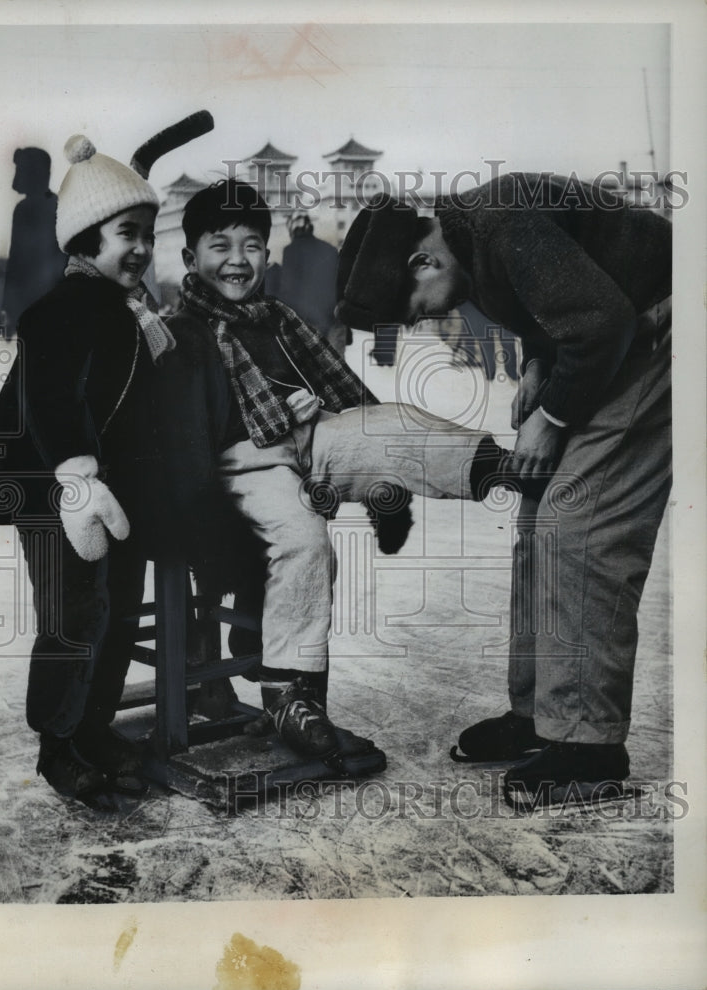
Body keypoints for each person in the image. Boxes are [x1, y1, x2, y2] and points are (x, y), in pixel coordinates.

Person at [165, 178, 540, 764]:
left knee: (387, 421)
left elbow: (349, 396)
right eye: (220, 246)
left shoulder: (279, 318)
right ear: (191, 257)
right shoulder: (179, 331)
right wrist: (261, 413)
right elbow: (180, 430)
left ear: (269, 250)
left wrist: (361, 437)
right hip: (244, 464)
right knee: (306, 539)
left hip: (308, 440)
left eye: (252, 245)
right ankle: (291, 691)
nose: (238, 260)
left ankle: (489, 465)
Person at [335, 173, 672, 804]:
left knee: (582, 526)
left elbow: (601, 319)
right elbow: (564, 299)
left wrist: (556, 418)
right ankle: (542, 715)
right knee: (539, 518)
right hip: (623, 333)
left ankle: (589, 747)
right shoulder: (471, 240)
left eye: (418, 306)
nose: (428, 316)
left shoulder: (498, 223)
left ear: (423, 260)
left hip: (663, 332)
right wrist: (543, 362)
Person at [0, 134, 176, 808]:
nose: (144, 248)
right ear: (86, 237)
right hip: (51, 489)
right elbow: (54, 403)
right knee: (72, 615)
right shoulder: (59, 311)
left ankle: (93, 728)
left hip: (111, 495)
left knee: (116, 610)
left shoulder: (127, 312)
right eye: (129, 232)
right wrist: (76, 475)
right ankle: (57, 744)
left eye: (149, 234)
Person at [1, 147, 68, 340]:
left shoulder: (25, 209)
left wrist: (8, 307)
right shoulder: (57, 203)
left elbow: (15, 263)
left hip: (35, 300)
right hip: (52, 299)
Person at [277, 209, 348, 355]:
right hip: (333, 321)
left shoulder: (290, 251)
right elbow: (341, 286)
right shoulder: (331, 249)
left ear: (292, 229)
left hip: (307, 323)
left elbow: (287, 292)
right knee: (335, 371)